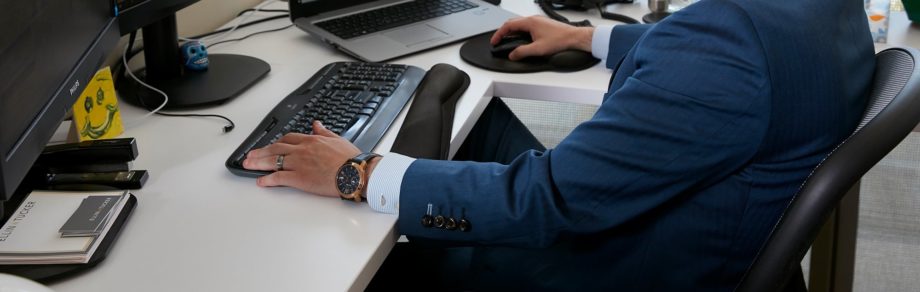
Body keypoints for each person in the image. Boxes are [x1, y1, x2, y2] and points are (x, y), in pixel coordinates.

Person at [242, 0, 875, 290]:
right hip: (702, 220)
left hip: (620, 265)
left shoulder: (723, 45)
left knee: (355, 267)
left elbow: (544, 202)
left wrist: (358, 173)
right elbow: (728, 50)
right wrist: (588, 38)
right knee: (478, 131)